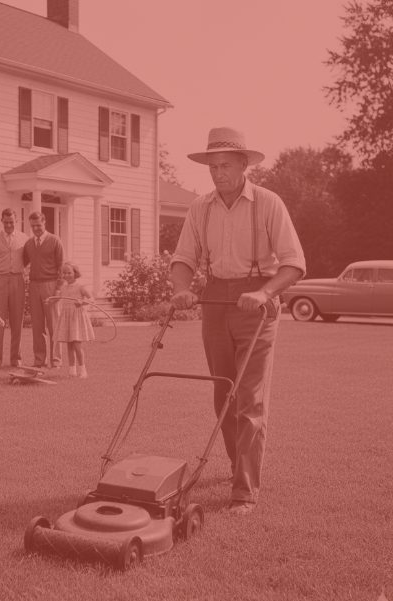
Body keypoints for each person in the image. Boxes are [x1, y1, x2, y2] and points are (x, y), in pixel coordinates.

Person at [170, 127, 306, 516]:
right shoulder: (201, 208)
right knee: (224, 394)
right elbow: (183, 258)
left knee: (250, 398)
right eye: (212, 166)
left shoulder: (268, 203)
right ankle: (236, 465)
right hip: (214, 302)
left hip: (257, 306)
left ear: (244, 165)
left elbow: (294, 262)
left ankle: (245, 491)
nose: (218, 173)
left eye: (225, 165)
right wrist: (181, 288)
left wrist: (265, 292)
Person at [0, 209, 29, 368]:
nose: (9, 225)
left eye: (12, 222)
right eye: (6, 222)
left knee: (17, 321)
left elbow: (29, 261)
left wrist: (26, 276)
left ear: (16, 221)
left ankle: (16, 358)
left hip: (17, 280)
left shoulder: (24, 238)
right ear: (1, 220)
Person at [23, 211, 64, 368]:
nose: (36, 229)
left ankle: (56, 360)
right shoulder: (29, 244)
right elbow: (24, 265)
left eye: (38, 225)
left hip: (51, 284)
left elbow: (61, 265)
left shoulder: (55, 241)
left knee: (54, 325)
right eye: (33, 226)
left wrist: (58, 289)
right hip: (34, 286)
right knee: (37, 325)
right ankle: (39, 359)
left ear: (44, 222)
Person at [49, 262, 94, 378]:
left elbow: (91, 299)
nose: (67, 275)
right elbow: (58, 299)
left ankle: (83, 370)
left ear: (75, 273)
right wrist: (50, 300)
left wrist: (82, 302)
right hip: (66, 318)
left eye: (69, 272)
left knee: (77, 345)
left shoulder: (80, 287)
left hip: (76, 318)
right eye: (64, 273)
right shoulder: (63, 288)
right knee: (69, 345)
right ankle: (72, 370)